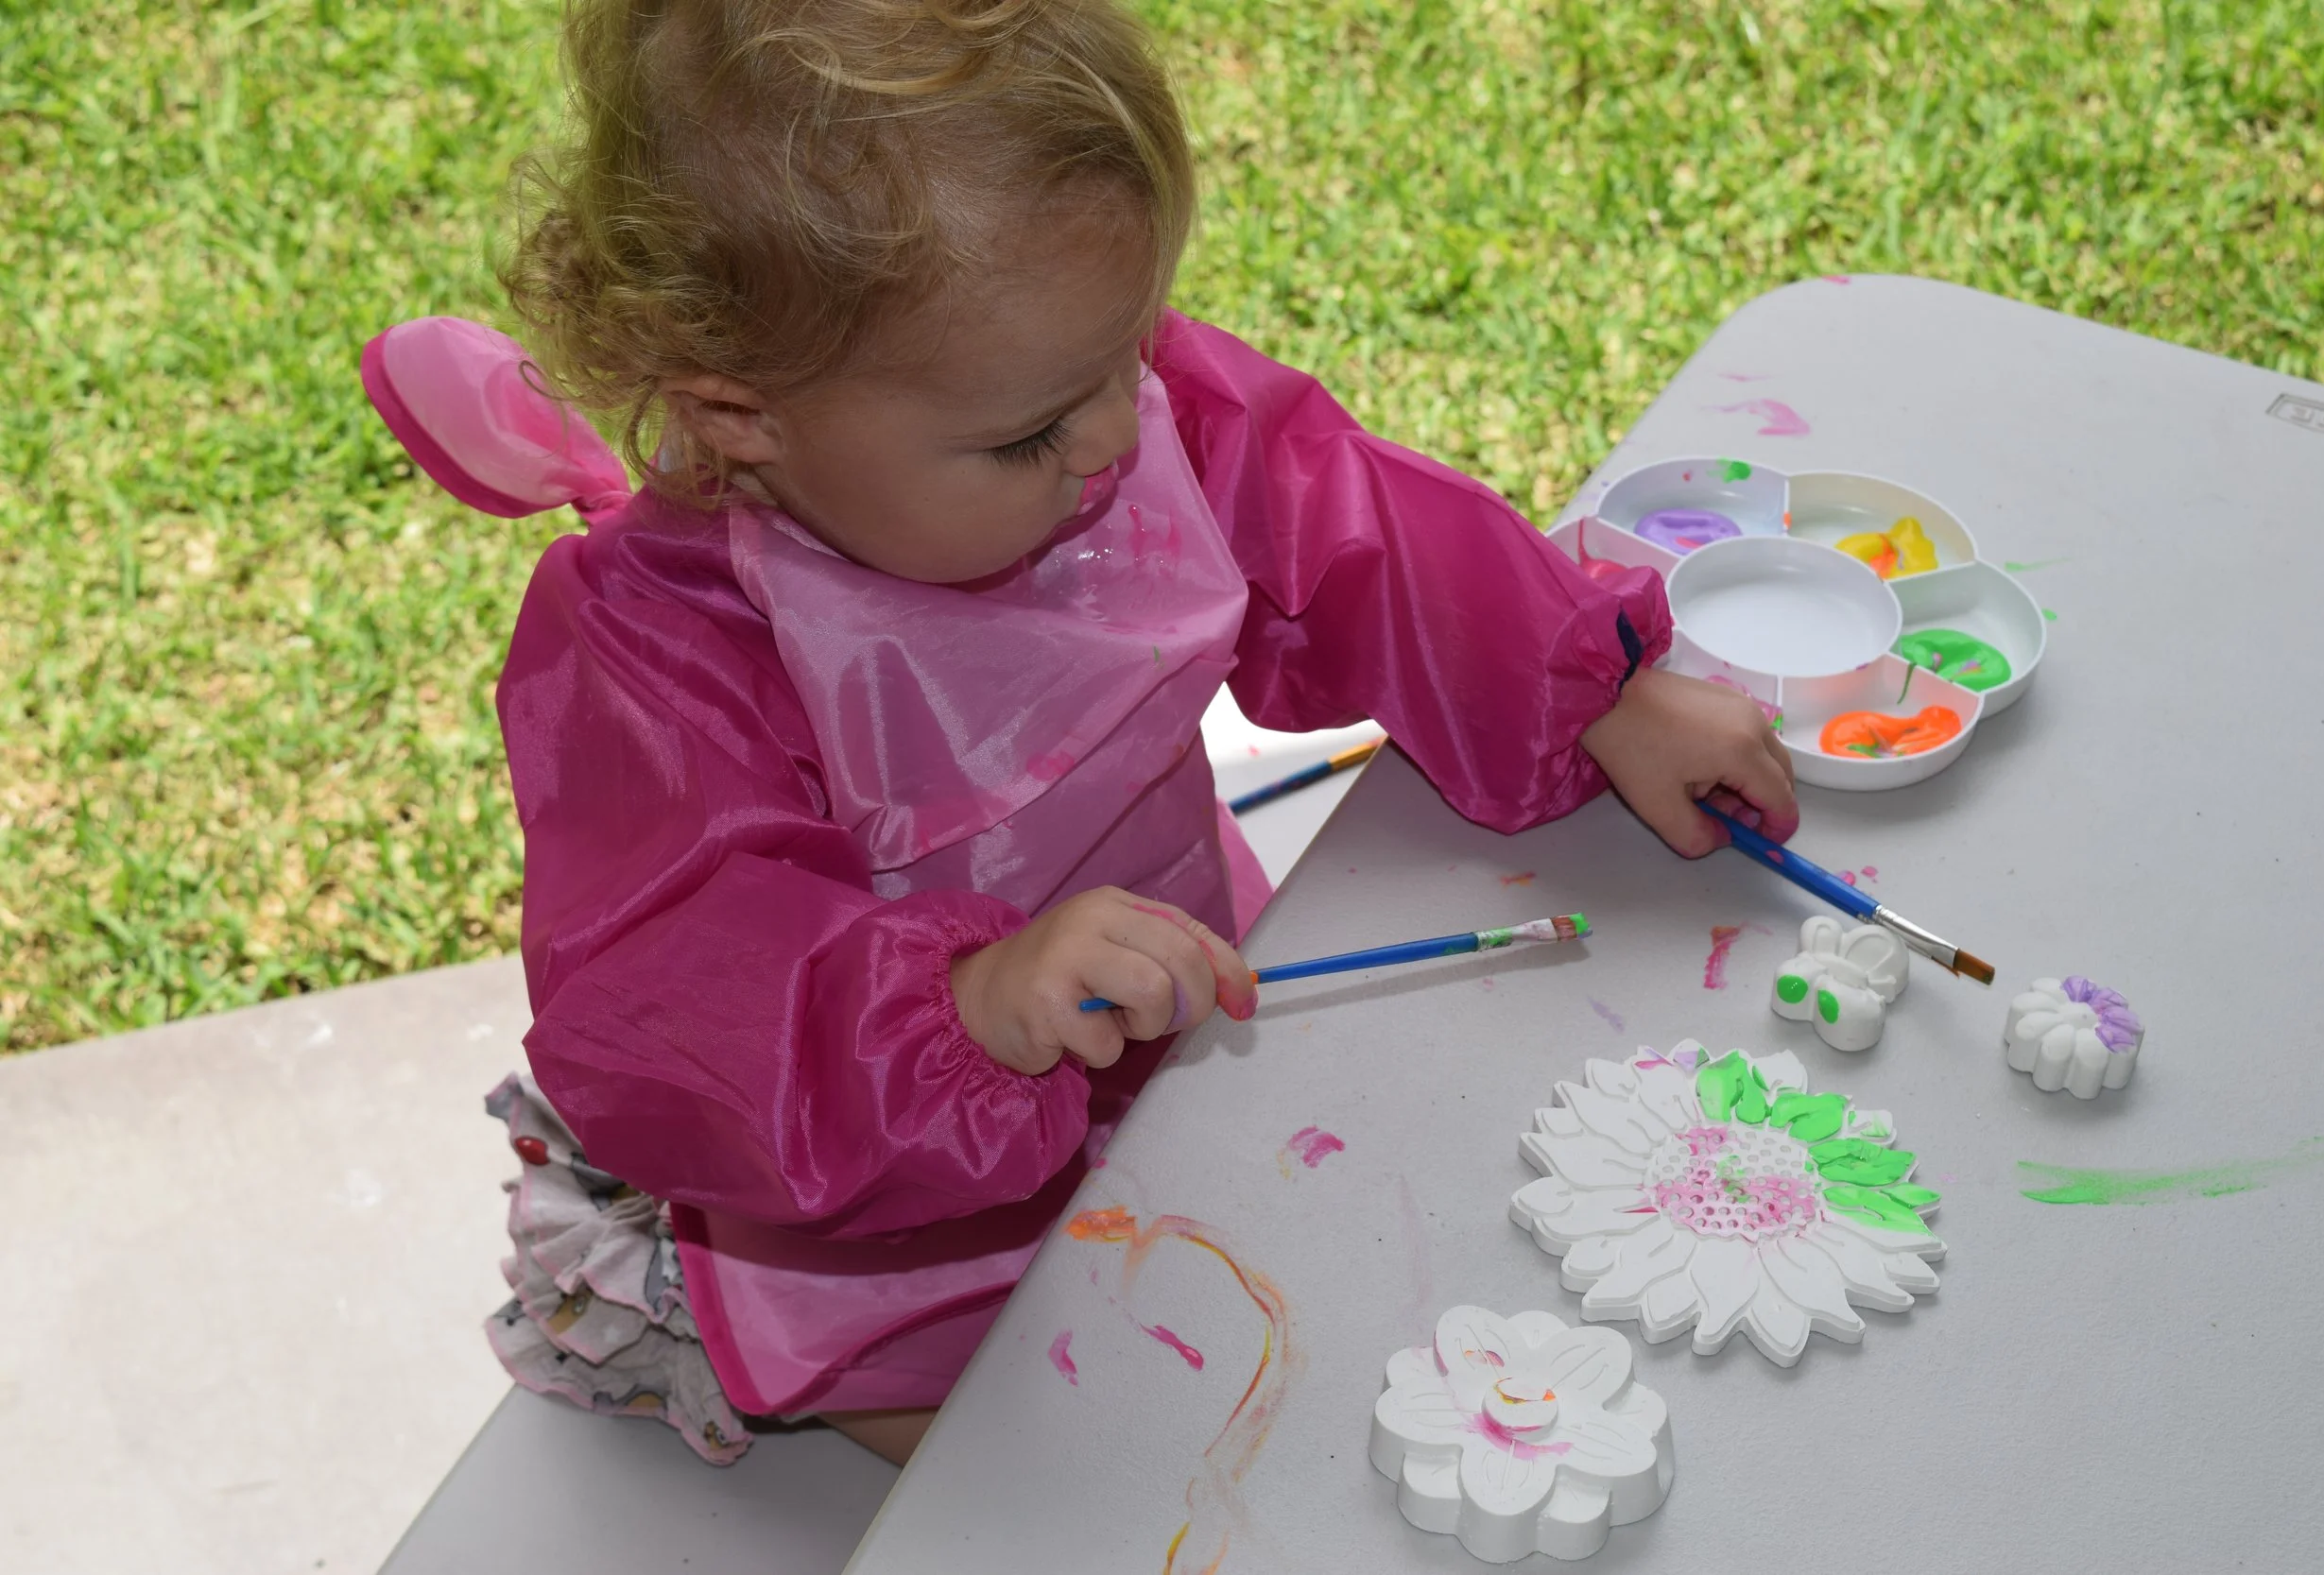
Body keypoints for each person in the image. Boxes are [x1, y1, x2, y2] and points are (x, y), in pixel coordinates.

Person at [362, 0, 1796, 1467]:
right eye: (1037, 433)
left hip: (1162, 1013)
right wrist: (968, 1007)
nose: (1119, 436)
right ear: (743, 419)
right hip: (866, 1172)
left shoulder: (1071, 389)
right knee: (1079, 1464)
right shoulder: (657, 649)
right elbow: (685, 986)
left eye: (1131, 355)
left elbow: (1346, 521)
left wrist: (1590, 684)